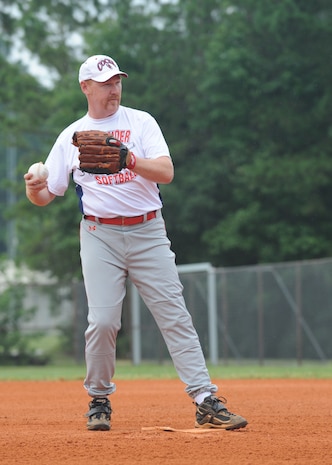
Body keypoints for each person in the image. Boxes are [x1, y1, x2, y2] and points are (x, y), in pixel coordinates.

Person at [24, 54, 248, 432]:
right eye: (105, 82)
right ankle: (98, 399)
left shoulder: (140, 121)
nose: (113, 88)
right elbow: (48, 195)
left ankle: (204, 398)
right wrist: (34, 189)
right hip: (99, 235)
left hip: (148, 231)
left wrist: (128, 158)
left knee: (174, 315)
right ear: (86, 87)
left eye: (117, 81)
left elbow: (166, 172)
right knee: (103, 321)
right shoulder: (72, 136)